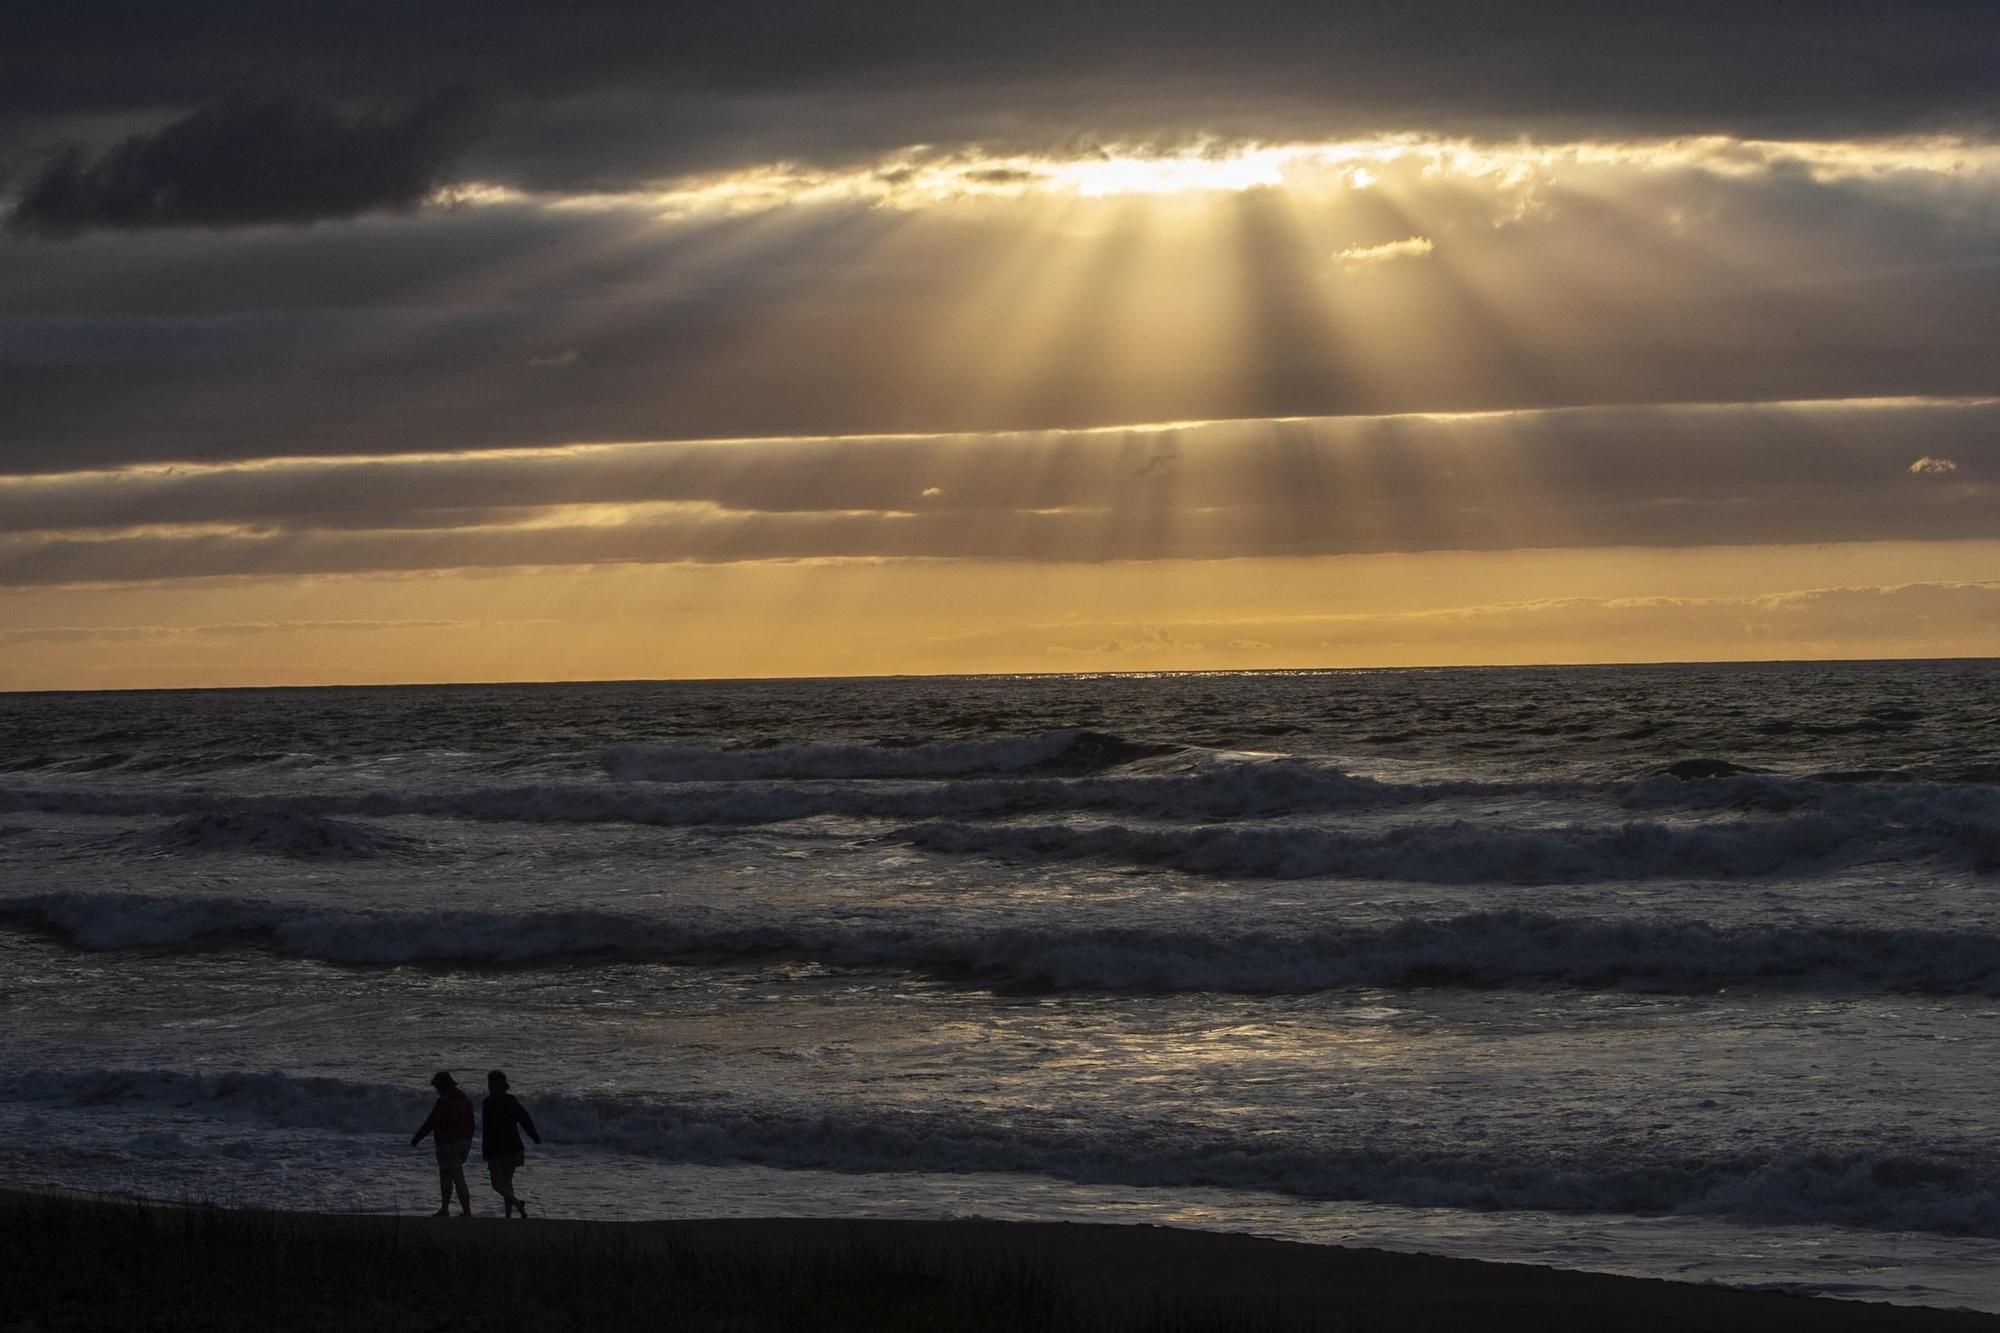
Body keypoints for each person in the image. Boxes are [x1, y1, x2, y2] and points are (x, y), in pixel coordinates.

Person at [410, 1070, 476, 1217]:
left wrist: (417, 1138)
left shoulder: (443, 1101)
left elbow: (431, 1122)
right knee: (449, 1175)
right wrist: (468, 1143)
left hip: (447, 1144)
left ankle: (465, 1211)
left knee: (454, 1178)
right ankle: (445, 1209)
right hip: (464, 1143)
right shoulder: (466, 1100)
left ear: (441, 1086)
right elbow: (472, 1124)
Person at [481, 1069, 542, 1218]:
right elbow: (525, 1120)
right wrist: (534, 1136)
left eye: (491, 1083)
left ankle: (516, 1203)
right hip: (512, 1147)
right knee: (506, 1183)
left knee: (497, 1184)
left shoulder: (489, 1103)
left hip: (499, 1149)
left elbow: (487, 1129)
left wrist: (486, 1150)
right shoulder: (510, 1100)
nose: (489, 1086)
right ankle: (510, 1214)